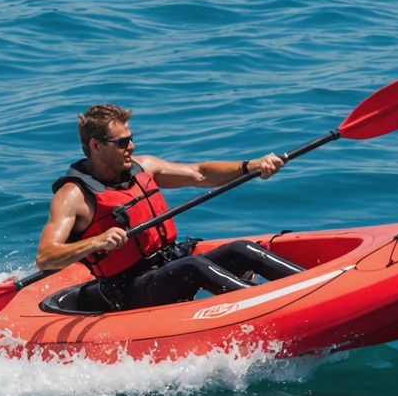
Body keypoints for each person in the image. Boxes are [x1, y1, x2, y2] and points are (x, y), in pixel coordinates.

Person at [36, 104, 303, 311]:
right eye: (122, 143)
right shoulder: (73, 195)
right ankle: (265, 307)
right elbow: (46, 256)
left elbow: (199, 173)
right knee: (193, 267)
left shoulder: (144, 167)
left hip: (168, 262)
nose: (132, 146)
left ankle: (312, 287)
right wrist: (96, 241)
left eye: (131, 138)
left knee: (241, 249)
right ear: (95, 146)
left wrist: (250, 166)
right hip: (128, 288)